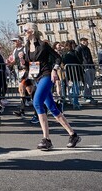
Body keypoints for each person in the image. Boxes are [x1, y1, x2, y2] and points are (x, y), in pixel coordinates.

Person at [22, 22, 80, 151]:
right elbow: (29, 65)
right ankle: (73, 134)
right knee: (52, 108)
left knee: (37, 102)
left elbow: (58, 58)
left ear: (32, 31)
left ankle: (46, 139)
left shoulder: (43, 45)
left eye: (25, 29)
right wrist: (22, 62)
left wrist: (55, 69)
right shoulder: (26, 46)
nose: (23, 31)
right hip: (37, 77)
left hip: (47, 75)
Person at [76, 37, 97, 103]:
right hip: (85, 67)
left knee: (91, 83)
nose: (87, 42)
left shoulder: (87, 48)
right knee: (88, 83)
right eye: (85, 41)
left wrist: (93, 66)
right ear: (82, 41)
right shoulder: (79, 48)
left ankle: (89, 95)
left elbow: (90, 58)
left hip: (90, 66)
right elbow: (78, 58)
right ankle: (86, 96)